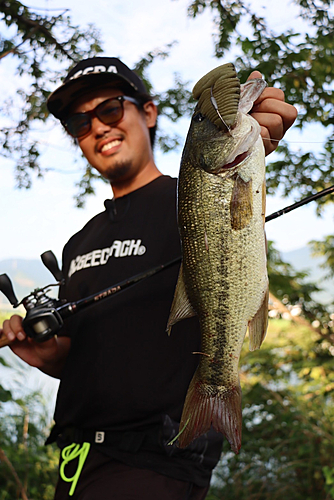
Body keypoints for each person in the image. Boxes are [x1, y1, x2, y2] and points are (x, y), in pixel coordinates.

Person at [0, 57, 297, 499]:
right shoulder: (78, 243)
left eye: (111, 109)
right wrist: (49, 355)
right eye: (80, 122)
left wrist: (254, 132)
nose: (97, 127)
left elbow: (231, 194)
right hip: (75, 465)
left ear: (149, 112)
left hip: (155, 465)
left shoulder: (187, 195)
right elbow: (90, 358)